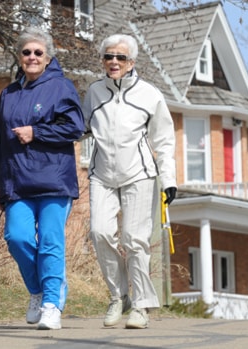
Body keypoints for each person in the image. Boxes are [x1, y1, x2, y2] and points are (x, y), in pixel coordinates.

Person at [0, 27, 84, 330]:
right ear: (19, 57)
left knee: (49, 241)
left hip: (54, 180)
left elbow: (74, 128)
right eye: (26, 52)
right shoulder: (9, 93)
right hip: (17, 181)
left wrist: (36, 132)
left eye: (38, 53)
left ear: (48, 58)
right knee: (16, 238)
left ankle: (52, 305)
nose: (32, 57)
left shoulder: (61, 87)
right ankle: (39, 290)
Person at [82, 34, 177, 329]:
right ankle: (117, 295)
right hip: (102, 174)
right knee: (99, 232)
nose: (113, 62)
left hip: (139, 175)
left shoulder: (150, 95)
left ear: (132, 62)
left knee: (135, 240)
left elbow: (165, 139)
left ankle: (141, 306)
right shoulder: (94, 92)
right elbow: (80, 128)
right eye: (109, 56)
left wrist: (169, 179)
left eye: (120, 58)